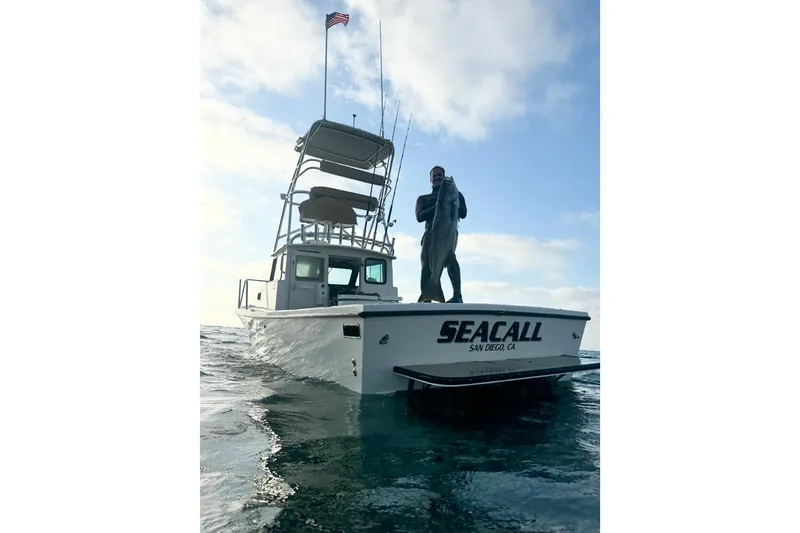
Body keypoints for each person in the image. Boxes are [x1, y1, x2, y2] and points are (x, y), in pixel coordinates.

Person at [415, 165, 467, 303]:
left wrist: (453, 201)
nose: (437, 177)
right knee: (426, 266)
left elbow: (463, 213)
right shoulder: (423, 198)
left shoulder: (456, 194)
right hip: (430, 237)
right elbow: (419, 217)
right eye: (434, 175)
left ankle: (457, 296)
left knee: (451, 259)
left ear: (443, 177)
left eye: (440, 175)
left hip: (449, 235)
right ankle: (426, 299)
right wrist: (439, 205)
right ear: (430, 179)